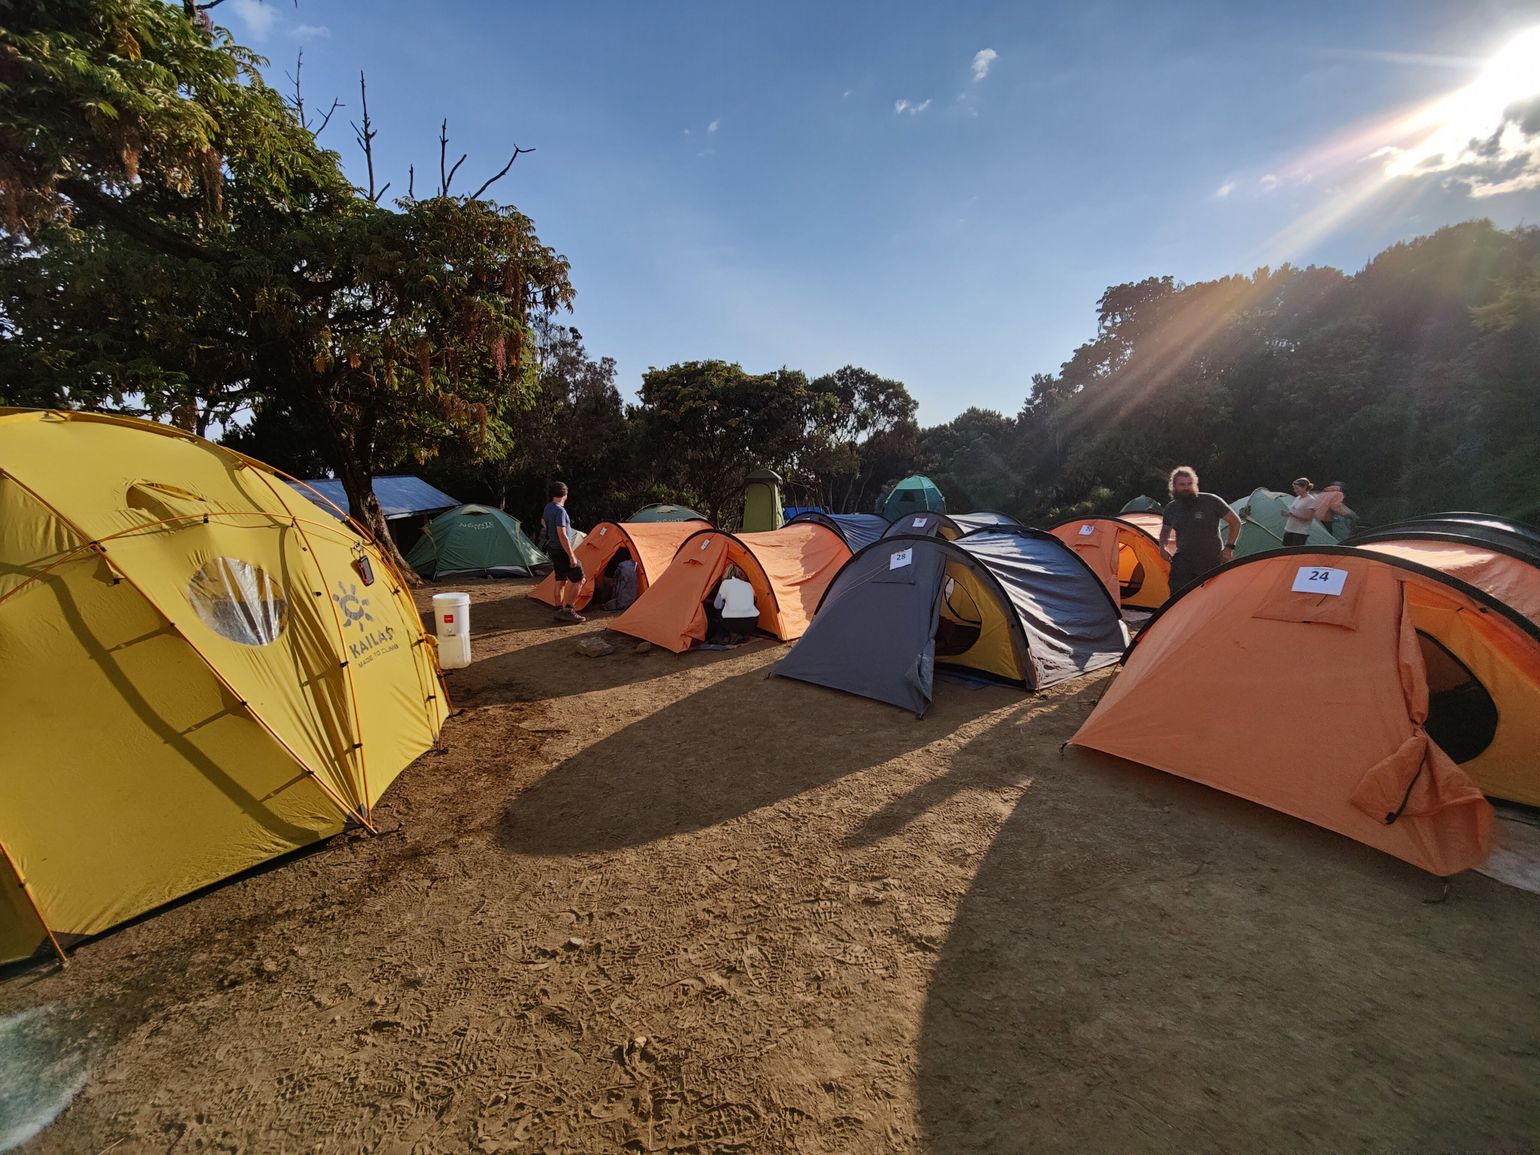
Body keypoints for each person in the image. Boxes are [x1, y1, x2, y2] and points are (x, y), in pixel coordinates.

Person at [1158, 465, 1242, 596]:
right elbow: (1165, 531)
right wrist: (1162, 547)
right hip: (1183, 559)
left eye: (1189, 484)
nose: (1186, 488)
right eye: (1182, 484)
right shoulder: (1171, 508)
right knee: (1177, 595)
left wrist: (1229, 548)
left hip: (1210, 559)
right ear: (1174, 486)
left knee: (1209, 596)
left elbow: (1235, 522)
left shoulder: (1211, 501)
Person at [542, 481, 585, 624]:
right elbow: (562, 534)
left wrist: (550, 533)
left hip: (552, 548)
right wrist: (571, 555)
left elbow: (543, 521)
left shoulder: (548, 507)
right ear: (565, 494)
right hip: (562, 549)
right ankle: (568, 610)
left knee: (560, 579)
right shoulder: (560, 511)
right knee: (579, 579)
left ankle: (558, 610)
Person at [711, 565, 759, 643]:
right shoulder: (748, 584)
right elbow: (754, 601)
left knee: (719, 611)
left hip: (733, 624)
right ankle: (744, 633)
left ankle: (730, 634)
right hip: (752, 623)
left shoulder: (725, 583)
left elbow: (717, 605)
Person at [1281, 477, 1318, 546]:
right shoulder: (1298, 498)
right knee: (1286, 550)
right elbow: (1295, 511)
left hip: (1300, 532)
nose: (1295, 490)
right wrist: (1287, 514)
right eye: (1294, 488)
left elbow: (1308, 518)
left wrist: (1293, 514)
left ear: (1304, 487)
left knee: (1295, 551)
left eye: (1297, 488)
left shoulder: (1311, 500)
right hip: (1289, 529)